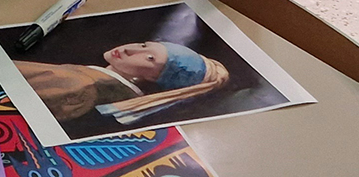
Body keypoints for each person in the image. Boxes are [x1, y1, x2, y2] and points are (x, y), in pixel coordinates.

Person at [14, 41, 228, 123]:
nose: (130, 49)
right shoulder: (87, 80)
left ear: (154, 79)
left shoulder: (80, 86)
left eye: (149, 58)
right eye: (144, 45)